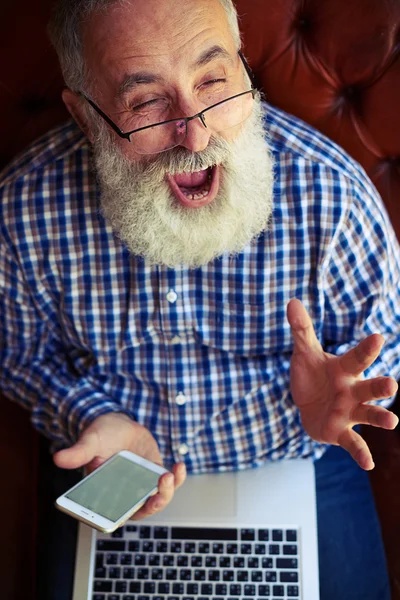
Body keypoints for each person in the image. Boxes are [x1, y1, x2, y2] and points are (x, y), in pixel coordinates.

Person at [0, 0, 399, 598]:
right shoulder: (24, 210)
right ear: (85, 116)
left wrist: (336, 402)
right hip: (120, 471)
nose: (197, 132)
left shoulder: (333, 198)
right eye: (146, 103)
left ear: (242, 67)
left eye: (213, 80)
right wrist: (88, 414)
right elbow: (19, 355)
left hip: (295, 456)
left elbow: (385, 347)